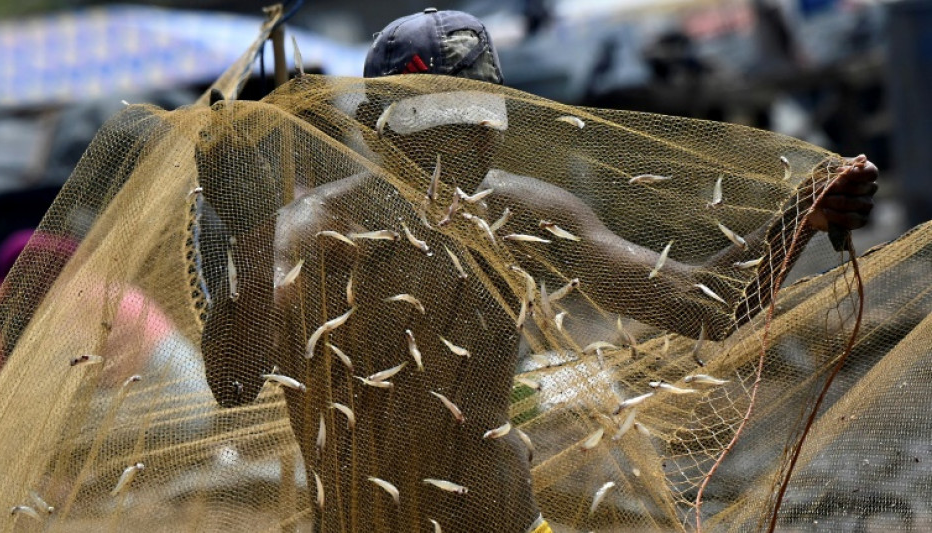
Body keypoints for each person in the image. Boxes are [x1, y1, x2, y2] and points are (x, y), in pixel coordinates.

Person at [199, 9, 878, 533]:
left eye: (477, 124)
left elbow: (704, 304)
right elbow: (234, 382)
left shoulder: (521, 214)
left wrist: (802, 217)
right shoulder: (309, 235)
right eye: (437, 126)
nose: (466, 147)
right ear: (378, 128)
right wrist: (251, 237)